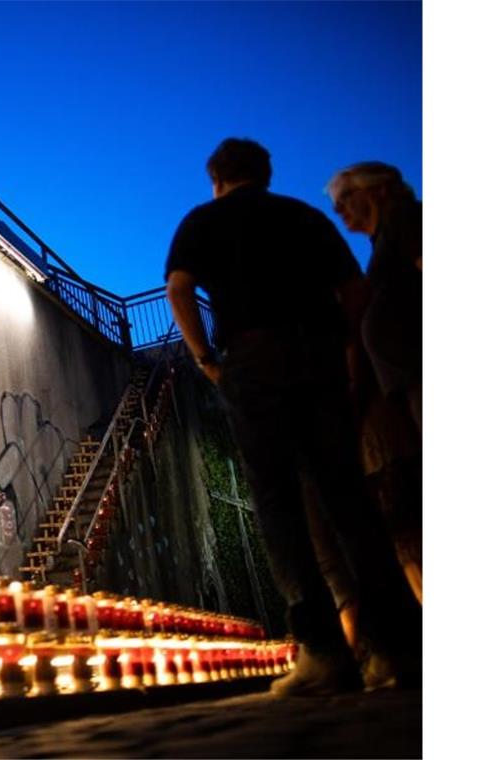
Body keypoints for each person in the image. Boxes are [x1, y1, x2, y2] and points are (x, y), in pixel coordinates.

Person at [165, 138, 420, 696]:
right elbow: (353, 293)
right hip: (320, 358)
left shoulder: (202, 220)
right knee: (347, 497)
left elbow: (179, 289)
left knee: (278, 501)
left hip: (252, 360)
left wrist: (207, 359)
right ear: (265, 173)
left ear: (216, 179)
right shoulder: (303, 216)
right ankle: (400, 648)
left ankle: (325, 653)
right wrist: (347, 355)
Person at [326, 162, 421, 432]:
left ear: (379, 189)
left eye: (344, 198)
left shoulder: (405, 219)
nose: (337, 210)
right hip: (407, 379)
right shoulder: (384, 240)